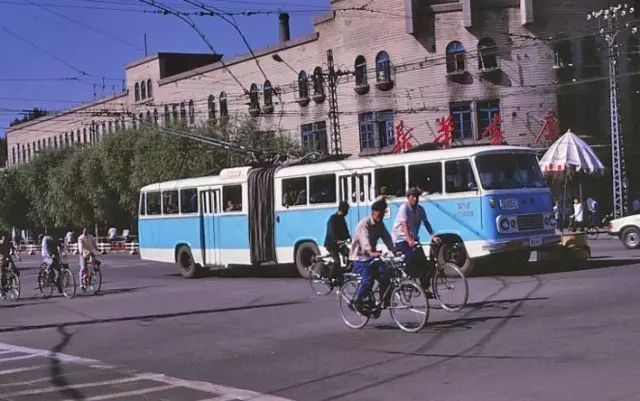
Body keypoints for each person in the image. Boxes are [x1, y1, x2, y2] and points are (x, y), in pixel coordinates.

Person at [350, 199, 395, 312]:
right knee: (368, 280)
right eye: (379, 214)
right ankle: (357, 300)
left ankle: (383, 300)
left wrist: (393, 250)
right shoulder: (364, 224)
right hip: (360, 257)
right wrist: (371, 251)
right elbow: (365, 240)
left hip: (371, 257)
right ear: (373, 212)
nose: (381, 217)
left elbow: (387, 237)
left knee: (386, 275)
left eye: (383, 214)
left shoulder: (380, 224)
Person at [392, 188, 441, 289]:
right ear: (408, 197)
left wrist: (433, 236)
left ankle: (425, 289)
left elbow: (426, 223)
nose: (415, 198)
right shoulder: (404, 207)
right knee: (411, 262)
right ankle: (406, 277)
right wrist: (409, 239)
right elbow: (404, 224)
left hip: (413, 238)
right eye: (413, 196)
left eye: (417, 196)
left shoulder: (420, 209)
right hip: (401, 239)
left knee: (424, 263)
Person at [323, 201, 351, 280]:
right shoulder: (333, 218)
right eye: (347, 210)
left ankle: (344, 272)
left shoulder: (342, 219)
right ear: (342, 209)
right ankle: (330, 278)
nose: (347, 212)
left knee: (350, 254)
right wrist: (336, 240)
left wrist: (349, 237)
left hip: (340, 244)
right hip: (331, 244)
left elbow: (345, 230)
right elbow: (331, 231)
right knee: (337, 261)